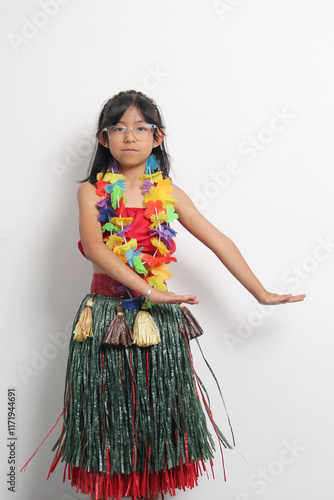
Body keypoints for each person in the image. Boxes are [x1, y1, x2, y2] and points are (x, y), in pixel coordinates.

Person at [44, 90, 306, 500]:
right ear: (103, 139)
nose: (130, 136)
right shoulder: (91, 193)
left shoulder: (169, 194)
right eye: (119, 128)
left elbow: (218, 240)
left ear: (158, 137)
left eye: (141, 128)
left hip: (157, 323)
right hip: (104, 316)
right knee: (110, 429)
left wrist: (260, 293)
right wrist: (148, 289)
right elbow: (95, 248)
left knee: (156, 427)